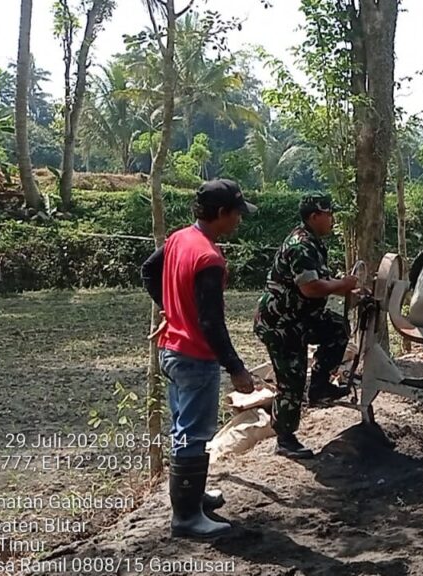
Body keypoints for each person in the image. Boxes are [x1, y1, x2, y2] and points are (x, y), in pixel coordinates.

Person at [140, 178, 257, 539]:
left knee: (183, 429)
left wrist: (169, 309)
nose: (239, 221)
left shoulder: (179, 238)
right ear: (221, 213)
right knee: (193, 435)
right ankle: (187, 518)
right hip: (194, 358)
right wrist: (236, 367)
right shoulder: (209, 258)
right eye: (236, 214)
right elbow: (210, 321)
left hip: (172, 352)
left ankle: (193, 497)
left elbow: (148, 270)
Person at [254, 192, 358, 460]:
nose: (332, 219)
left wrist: (343, 287)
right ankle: (285, 439)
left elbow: (320, 280)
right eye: (329, 213)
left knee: (337, 329)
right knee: (291, 380)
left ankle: (321, 386)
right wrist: (342, 285)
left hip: (303, 318)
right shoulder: (300, 245)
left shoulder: (314, 243)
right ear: (315, 216)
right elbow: (311, 288)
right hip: (282, 324)